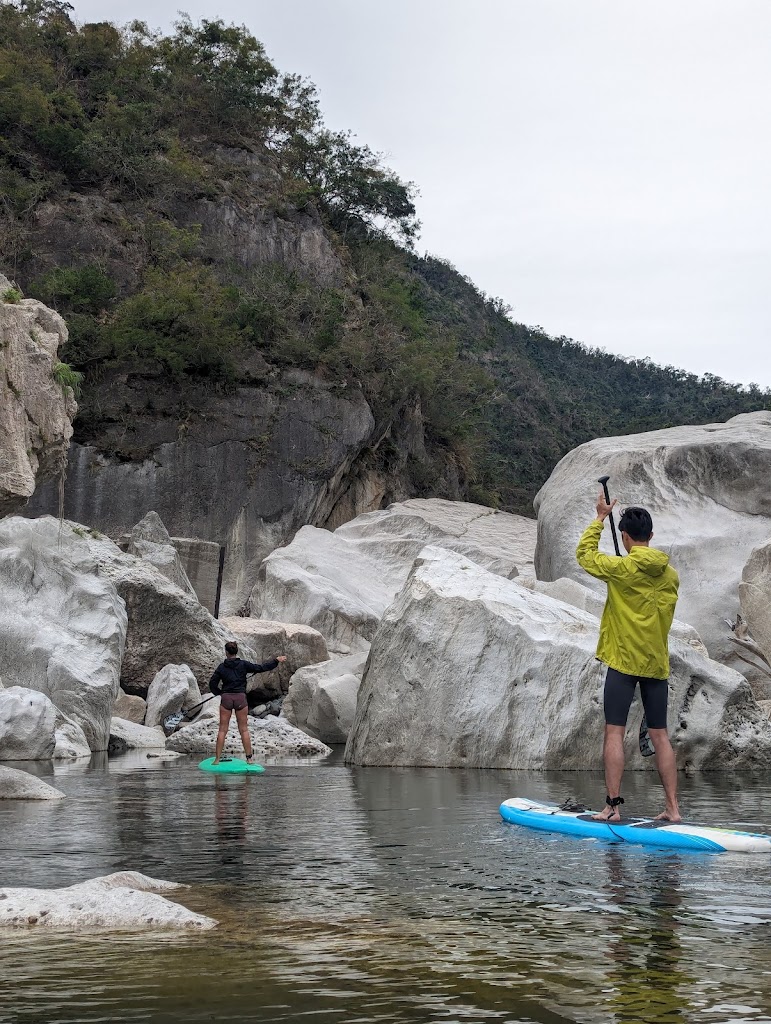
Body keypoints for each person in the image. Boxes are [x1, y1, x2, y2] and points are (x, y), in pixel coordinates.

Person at [576, 492, 681, 823]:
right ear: (650, 536)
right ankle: (673, 809)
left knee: (614, 732)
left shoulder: (620, 569)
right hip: (656, 664)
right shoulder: (671, 575)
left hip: (623, 663)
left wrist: (598, 518)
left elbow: (584, 555)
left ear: (624, 536)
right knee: (660, 735)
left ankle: (612, 807)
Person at [209, 641, 287, 764]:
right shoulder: (243, 665)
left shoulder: (221, 667)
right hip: (240, 698)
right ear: (236, 652)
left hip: (227, 699)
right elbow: (260, 668)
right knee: (244, 730)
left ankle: (217, 760)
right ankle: (249, 759)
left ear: (226, 652)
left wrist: (220, 693)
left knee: (222, 730)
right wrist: (275, 661)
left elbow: (212, 684)